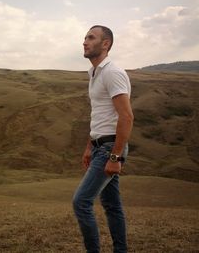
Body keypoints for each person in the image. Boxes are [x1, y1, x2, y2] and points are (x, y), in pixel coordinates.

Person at [72, 25, 134, 253]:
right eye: (85, 38)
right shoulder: (94, 73)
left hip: (110, 148)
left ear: (105, 43)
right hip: (101, 145)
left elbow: (126, 116)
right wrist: (90, 146)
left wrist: (115, 156)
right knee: (112, 206)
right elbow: (100, 115)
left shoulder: (112, 72)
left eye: (91, 37)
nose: (84, 42)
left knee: (81, 202)